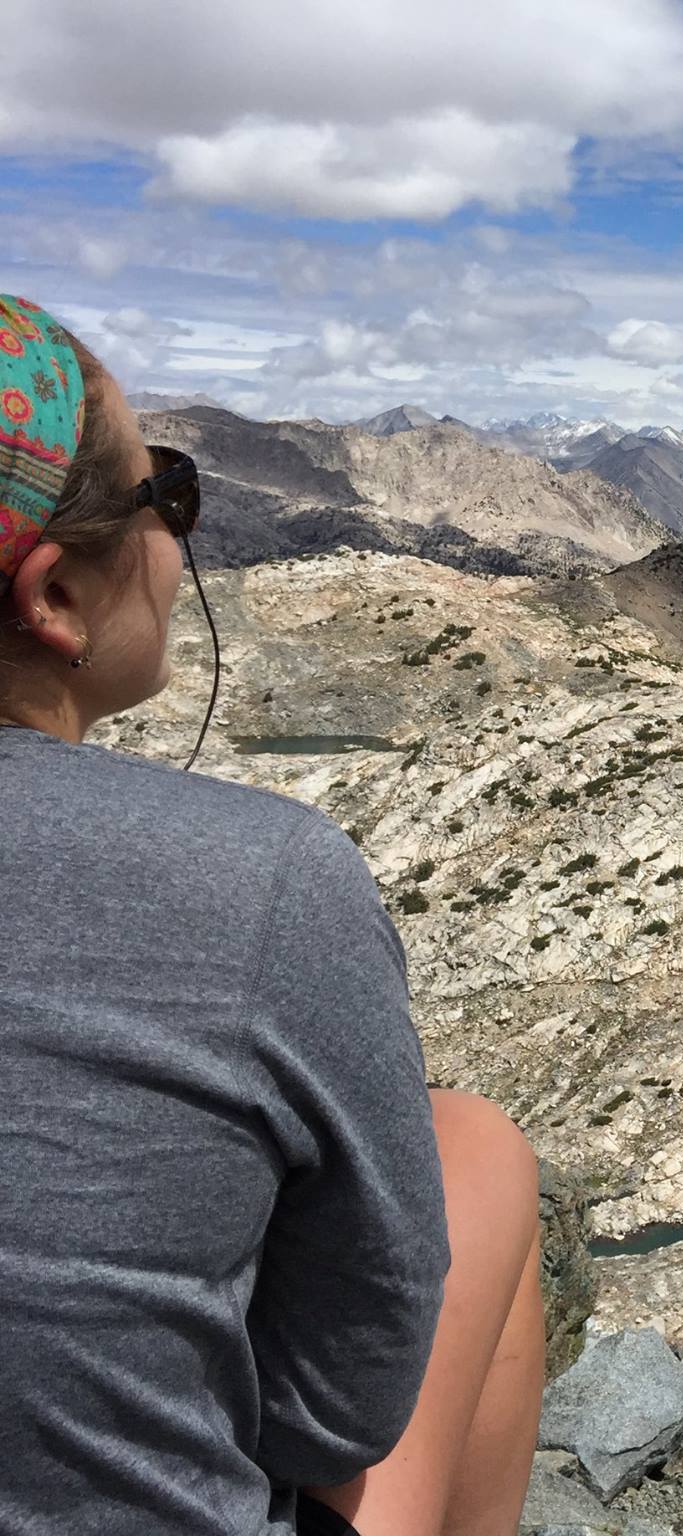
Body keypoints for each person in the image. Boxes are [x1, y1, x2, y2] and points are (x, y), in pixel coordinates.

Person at [0, 292, 544, 1536]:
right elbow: (336, 1417)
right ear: (56, 601)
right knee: (479, 1149)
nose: (183, 542)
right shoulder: (265, 877)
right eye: (168, 499)